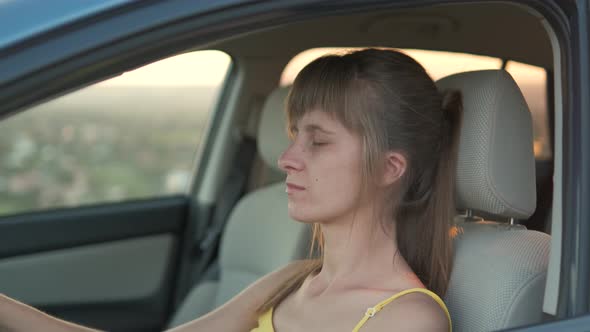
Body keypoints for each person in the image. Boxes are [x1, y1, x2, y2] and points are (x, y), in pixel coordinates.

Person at [0, 48, 461, 331]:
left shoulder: (406, 320)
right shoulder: (292, 280)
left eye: (318, 142)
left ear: (389, 168)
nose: (287, 159)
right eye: (294, 135)